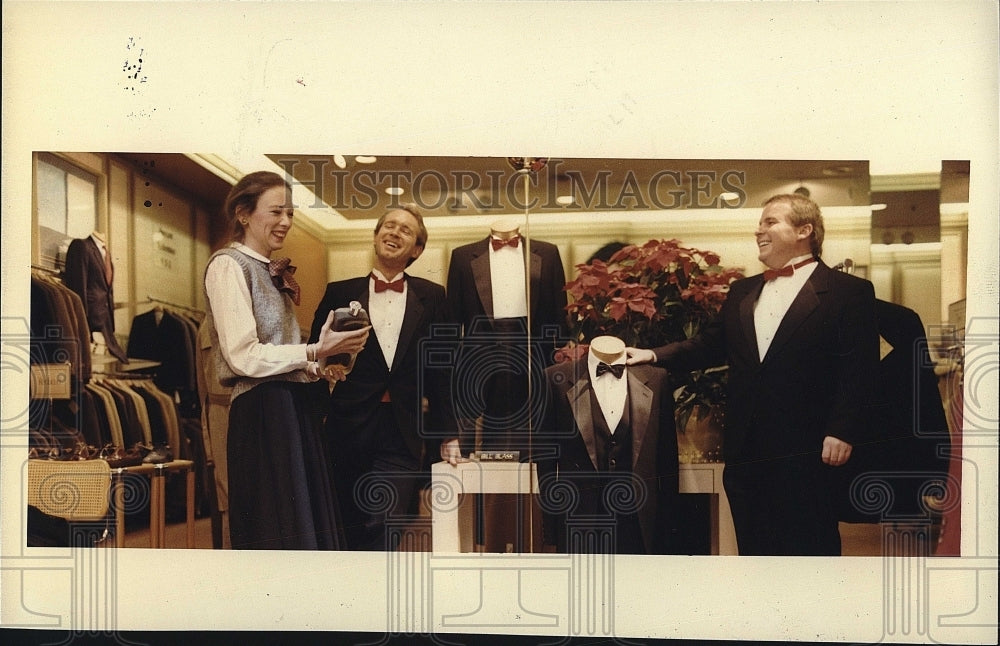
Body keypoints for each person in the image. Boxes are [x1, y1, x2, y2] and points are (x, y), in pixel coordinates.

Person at [627, 193, 879, 556]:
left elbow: (860, 368)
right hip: (746, 453)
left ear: (804, 230)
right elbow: (708, 345)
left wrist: (842, 430)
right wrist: (651, 353)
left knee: (812, 554)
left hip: (809, 452)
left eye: (770, 222)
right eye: (760, 223)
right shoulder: (743, 291)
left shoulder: (848, 292)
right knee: (754, 554)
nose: (758, 230)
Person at [203, 170, 369, 550]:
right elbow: (243, 356)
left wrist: (320, 367)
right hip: (263, 413)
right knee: (278, 525)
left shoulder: (268, 269)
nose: (286, 222)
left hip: (292, 410)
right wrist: (314, 351)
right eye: (276, 212)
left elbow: (278, 349)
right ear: (243, 214)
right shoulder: (228, 265)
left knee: (299, 525)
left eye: (290, 213)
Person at [309, 204, 459, 551]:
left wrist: (448, 434)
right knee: (346, 520)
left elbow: (443, 371)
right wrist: (314, 422)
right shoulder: (338, 292)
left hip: (402, 429)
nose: (393, 232)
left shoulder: (433, 297)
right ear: (376, 237)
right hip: (346, 425)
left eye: (405, 230)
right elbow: (314, 357)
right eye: (388, 226)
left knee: (385, 518)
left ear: (417, 250)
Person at [445, 220, 568, 552]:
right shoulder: (460, 258)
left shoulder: (548, 253)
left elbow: (561, 321)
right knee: (490, 468)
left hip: (536, 366)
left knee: (541, 463)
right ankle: (493, 545)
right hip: (482, 374)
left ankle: (543, 546)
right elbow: (451, 327)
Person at [538, 336, 679, 555]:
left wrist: (669, 529)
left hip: (640, 524)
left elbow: (667, 462)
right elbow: (546, 465)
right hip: (579, 522)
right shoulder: (555, 378)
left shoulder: (657, 379)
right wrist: (552, 532)